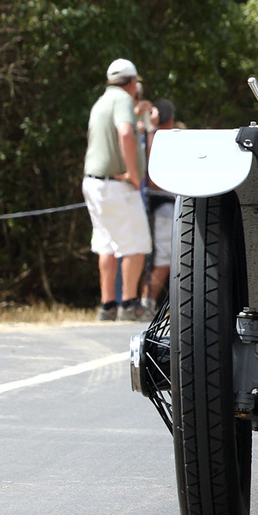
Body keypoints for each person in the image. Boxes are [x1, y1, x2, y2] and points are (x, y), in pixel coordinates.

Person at [84, 58, 152, 322]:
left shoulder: (102, 101)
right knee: (136, 244)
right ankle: (129, 304)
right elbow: (124, 132)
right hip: (117, 183)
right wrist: (134, 175)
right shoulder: (123, 100)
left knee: (106, 244)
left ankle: (107, 305)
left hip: (94, 181)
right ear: (132, 83)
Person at [143, 98, 178, 308]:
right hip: (163, 206)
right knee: (163, 258)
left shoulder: (146, 135)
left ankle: (145, 303)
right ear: (171, 119)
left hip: (150, 205)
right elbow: (153, 179)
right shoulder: (159, 139)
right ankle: (146, 303)